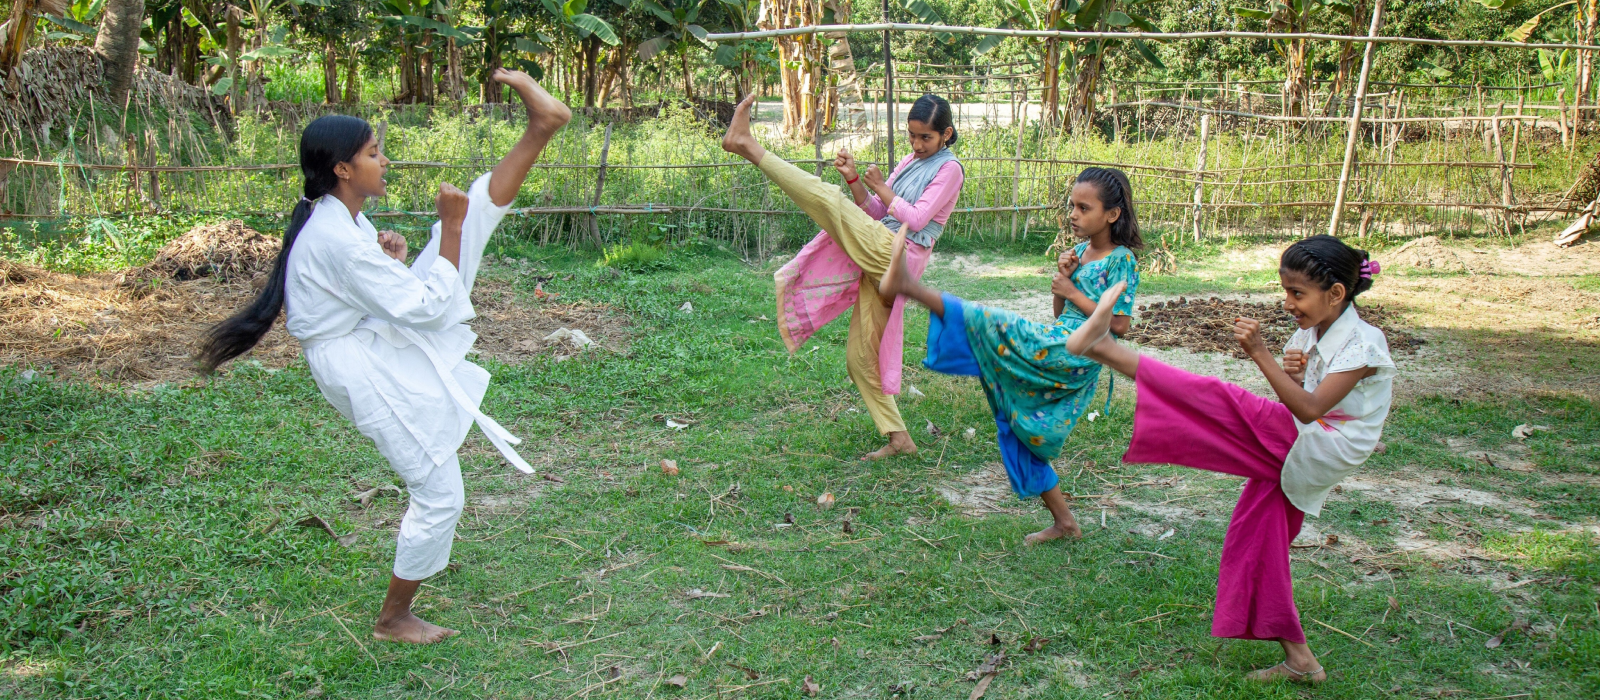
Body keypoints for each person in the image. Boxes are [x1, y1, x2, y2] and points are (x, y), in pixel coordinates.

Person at [195, 69, 570, 644]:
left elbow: (366, 285)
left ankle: (540, 130)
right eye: (375, 153)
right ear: (343, 169)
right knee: (440, 491)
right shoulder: (337, 237)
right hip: (358, 363)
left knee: (471, 215)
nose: (384, 161)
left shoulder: (340, 219)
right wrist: (447, 229)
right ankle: (393, 618)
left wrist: (397, 255)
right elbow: (420, 308)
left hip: (368, 336)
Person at [1063, 235, 1394, 684]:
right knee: (1255, 536)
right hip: (1310, 433)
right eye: (1286, 291)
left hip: (1323, 441)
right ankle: (1300, 661)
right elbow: (1307, 391)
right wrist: (1296, 370)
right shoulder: (1315, 328)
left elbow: (1311, 409)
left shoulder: (1364, 342)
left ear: (1336, 294)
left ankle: (1103, 347)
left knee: (1222, 402)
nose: (1287, 303)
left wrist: (1259, 353)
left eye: (1297, 294)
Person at [877, 168, 1141, 545]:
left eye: (1085, 208)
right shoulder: (1079, 253)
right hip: (1059, 337)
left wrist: (1071, 288)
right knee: (1013, 420)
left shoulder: (1122, 260)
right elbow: (1060, 314)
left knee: (994, 323)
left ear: (1112, 214)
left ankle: (908, 286)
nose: (1074, 214)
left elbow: (1118, 325)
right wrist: (1062, 283)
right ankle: (1065, 523)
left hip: (1078, 353)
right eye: (1072, 206)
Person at [723, 93, 965, 460]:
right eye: (912, 136)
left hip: (898, 255)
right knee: (859, 357)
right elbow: (875, 210)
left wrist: (882, 187)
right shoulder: (911, 160)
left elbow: (915, 219)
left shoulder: (950, 170)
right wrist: (855, 179)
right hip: (880, 245)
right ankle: (900, 438)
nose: (916, 145)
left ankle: (747, 145)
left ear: (946, 134)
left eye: (925, 138)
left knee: (827, 201)